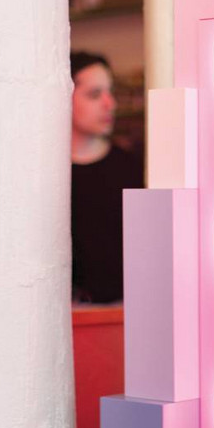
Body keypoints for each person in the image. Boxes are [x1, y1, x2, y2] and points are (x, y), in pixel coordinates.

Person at [70, 51, 143, 302]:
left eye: (110, 92)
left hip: (124, 309)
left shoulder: (130, 168)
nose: (109, 103)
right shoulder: (47, 177)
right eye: (94, 94)